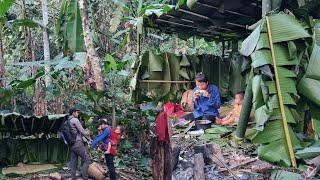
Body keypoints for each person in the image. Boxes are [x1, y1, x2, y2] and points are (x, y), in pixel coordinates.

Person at [68, 108, 91, 180]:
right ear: (73, 113)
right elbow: (83, 132)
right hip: (77, 143)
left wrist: (88, 139)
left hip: (71, 144)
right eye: (77, 112)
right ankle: (85, 177)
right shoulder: (75, 120)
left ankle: (73, 177)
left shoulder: (68, 121)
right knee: (87, 159)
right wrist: (88, 131)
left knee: (73, 160)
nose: (78, 114)